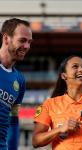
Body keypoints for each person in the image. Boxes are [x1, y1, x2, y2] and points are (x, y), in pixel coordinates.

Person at [0, 18, 32, 150]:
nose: (27, 46)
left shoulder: (20, 81)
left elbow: (13, 121)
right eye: (22, 40)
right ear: (6, 38)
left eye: (29, 42)